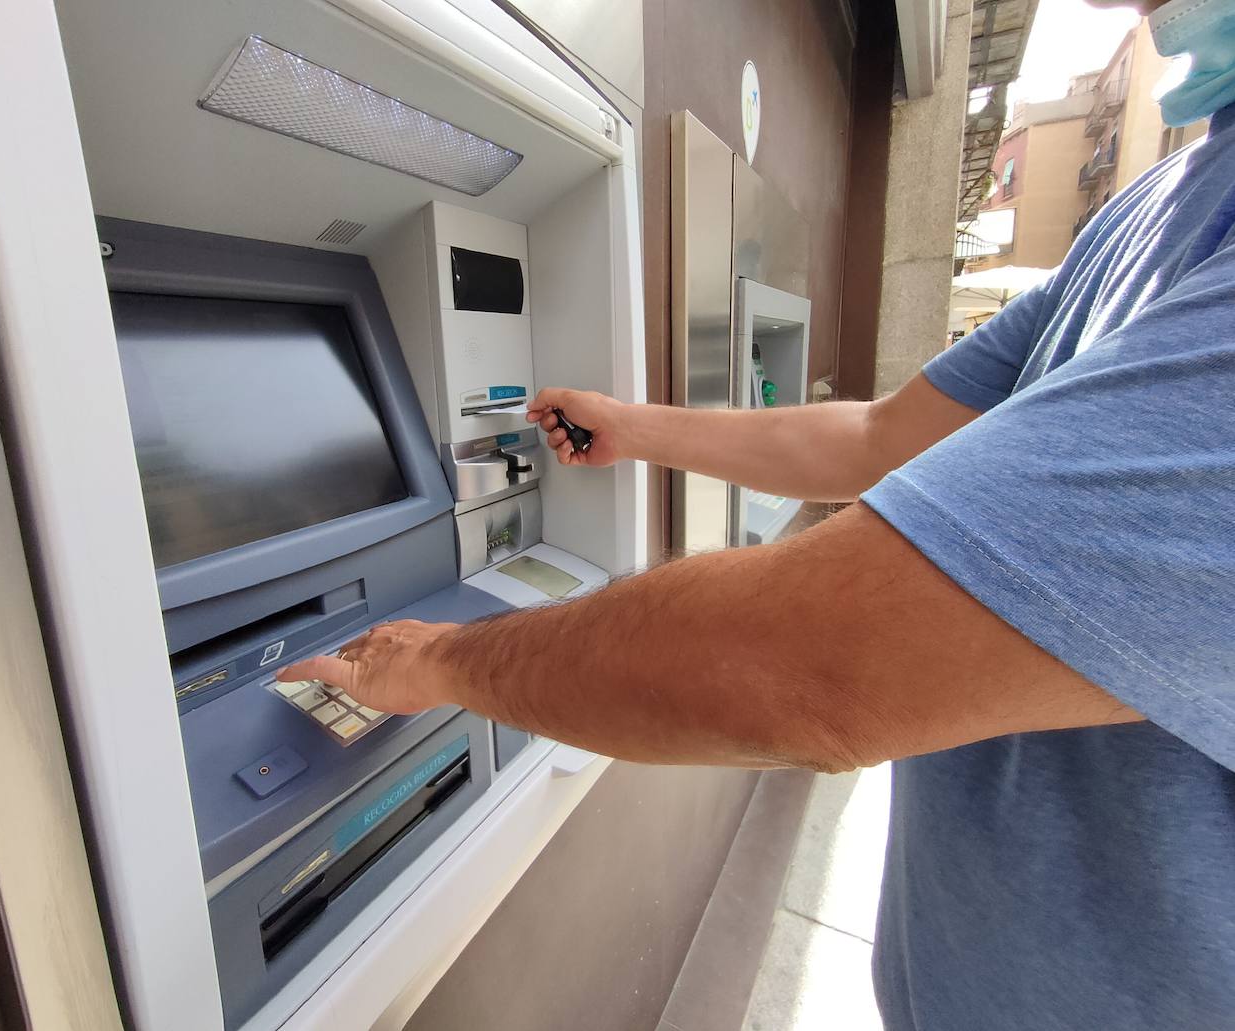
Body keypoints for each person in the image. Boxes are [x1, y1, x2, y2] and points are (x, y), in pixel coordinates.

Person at [281, 1, 1235, 1025]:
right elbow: (878, 436)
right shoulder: (1153, 209)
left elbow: (826, 667)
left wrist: (446, 659)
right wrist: (634, 427)